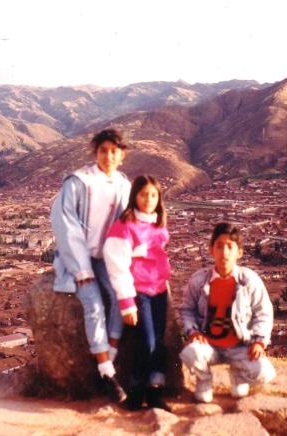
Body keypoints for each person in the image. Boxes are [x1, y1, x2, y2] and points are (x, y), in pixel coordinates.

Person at [50, 128, 131, 403]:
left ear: (122, 155)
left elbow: (129, 226)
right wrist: (81, 268)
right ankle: (107, 373)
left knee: (121, 298)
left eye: (113, 151)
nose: (108, 156)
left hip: (108, 258)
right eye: (103, 150)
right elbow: (66, 224)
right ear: (95, 153)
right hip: (80, 258)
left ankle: (107, 361)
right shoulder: (78, 182)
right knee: (94, 305)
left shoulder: (123, 185)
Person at [179, 222, 276, 403]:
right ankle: (204, 380)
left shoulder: (249, 281)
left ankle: (238, 374)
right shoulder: (199, 281)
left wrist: (259, 342)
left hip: (240, 346)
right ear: (211, 250)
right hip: (208, 345)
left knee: (266, 373)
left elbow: (263, 313)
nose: (224, 252)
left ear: (239, 252)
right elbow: (186, 310)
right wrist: (193, 332)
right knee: (190, 353)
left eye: (230, 247)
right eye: (219, 246)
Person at [103, 175, 172, 411]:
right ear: (135, 196)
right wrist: (127, 302)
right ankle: (135, 392)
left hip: (159, 290)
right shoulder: (124, 227)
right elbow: (116, 265)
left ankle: (154, 392)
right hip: (138, 292)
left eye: (153, 195)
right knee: (148, 342)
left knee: (158, 342)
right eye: (144, 194)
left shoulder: (157, 224)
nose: (149, 199)